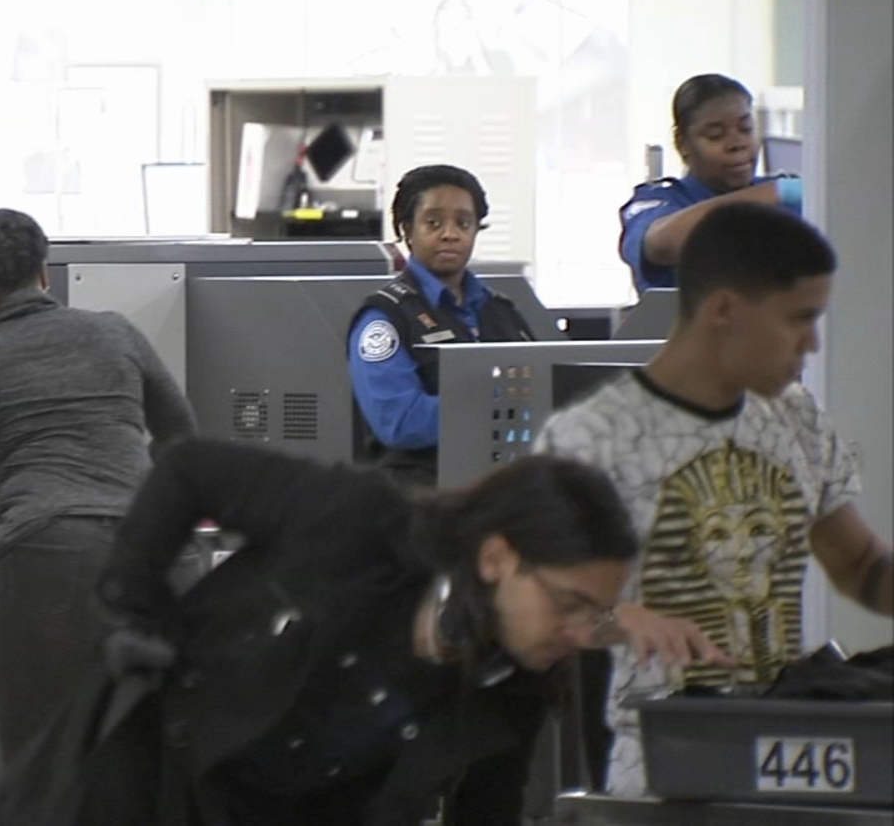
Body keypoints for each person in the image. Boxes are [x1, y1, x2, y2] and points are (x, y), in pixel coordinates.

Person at [0, 438, 640, 826]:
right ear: (498, 559)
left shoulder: (510, 688)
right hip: (138, 784)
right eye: (569, 603)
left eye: (597, 614)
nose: (580, 633)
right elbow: (188, 468)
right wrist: (139, 604)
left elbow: (486, 814)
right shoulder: (359, 523)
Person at [536, 202, 893, 798]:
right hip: (665, 764)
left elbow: (858, 564)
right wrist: (619, 618)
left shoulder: (795, 417)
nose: (811, 342)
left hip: (789, 750)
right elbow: (542, 606)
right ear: (725, 310)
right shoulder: (592, 439)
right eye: (797, 319)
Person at [0, 208, 197, 761]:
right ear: (44, 273)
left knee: (49, 759)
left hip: (50, 557)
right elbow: (181, 438)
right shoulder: (114, 331)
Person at [348, 164, 536, 487]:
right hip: (421, 494)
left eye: (463, 223)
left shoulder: (501, 310)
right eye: (433, 223)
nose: (450, 233)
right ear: (407, 229)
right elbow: (400, 422)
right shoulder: (384, 319)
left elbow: (543, 391)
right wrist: (500, 401)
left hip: (502, 487)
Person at [619, 73, 804, 296]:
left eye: (746, 129)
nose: (737, 144)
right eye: (715, 135)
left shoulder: (787, 200)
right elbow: (661, 245)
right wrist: (777, 192)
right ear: (682, 143)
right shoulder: (660, 200)